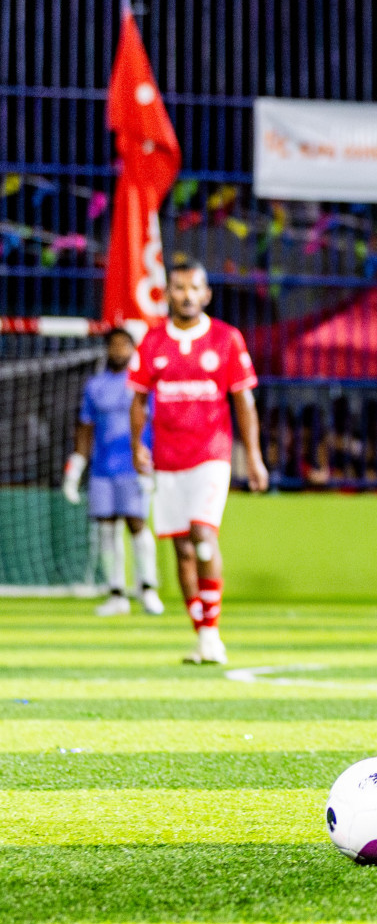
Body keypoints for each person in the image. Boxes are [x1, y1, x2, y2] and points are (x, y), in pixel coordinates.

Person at [128, 260, 268, 665]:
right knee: (182, 552)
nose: (187, 295)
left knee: (203, 537)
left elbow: (244, 401)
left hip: (212, 454)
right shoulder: (153, 342)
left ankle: (211, 632)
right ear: (167, 293)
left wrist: (254, 457)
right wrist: (139, 444)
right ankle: (202, 634)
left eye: (194, 288)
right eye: (178, 288)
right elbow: (138, 400)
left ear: (206, 294)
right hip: (167, 460)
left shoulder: (226, 339)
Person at [63, 328, 164, 617]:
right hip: (102, 469)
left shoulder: (142, 385)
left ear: (134, 349)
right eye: (114, 345)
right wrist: (76, 466)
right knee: (106, 528)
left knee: (137, 525)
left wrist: (153, 465)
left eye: (125, 344)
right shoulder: (95, 386)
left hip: (134, 467)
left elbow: (156, 425)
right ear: (107, 349)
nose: (119, 350)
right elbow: (85, 426)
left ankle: (147, 588)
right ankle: (116, 592)